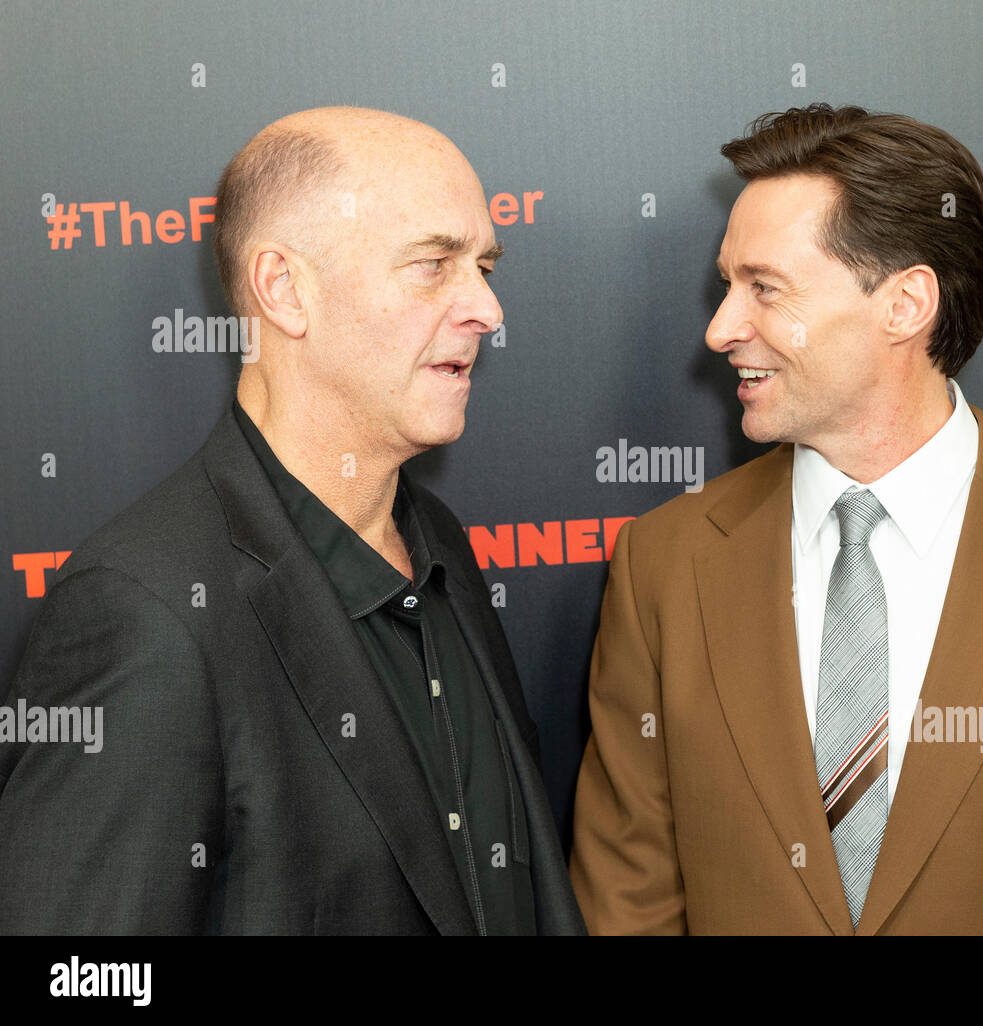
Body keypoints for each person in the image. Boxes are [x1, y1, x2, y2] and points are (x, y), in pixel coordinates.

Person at [568, 103, 983, 935]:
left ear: (905, 304)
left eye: (765, 289)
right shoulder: (663, 566)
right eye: (726, 286)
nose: (720, 329)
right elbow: (627, 900)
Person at [0, 106, 584, 935]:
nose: (486, 308)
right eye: (433, 265)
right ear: (283, 290)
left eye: (485, 266)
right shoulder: (148, 615)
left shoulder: (440, 543)